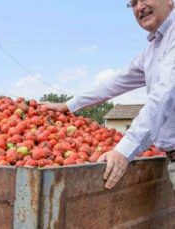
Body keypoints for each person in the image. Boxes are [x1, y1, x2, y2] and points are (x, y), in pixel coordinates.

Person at [45, 0, 175, 190]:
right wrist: (70, 105)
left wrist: (124, 150)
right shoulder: (154, 49)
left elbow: (164, 94)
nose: (139, 7)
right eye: (133, 3)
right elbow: (117, 82)